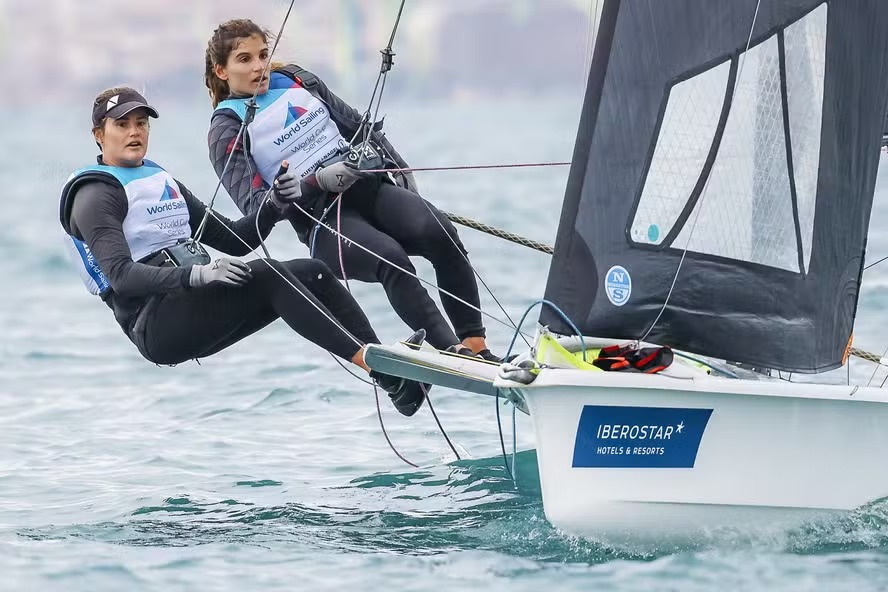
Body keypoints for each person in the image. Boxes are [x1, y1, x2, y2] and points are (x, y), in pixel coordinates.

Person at [59, 85, 428, 416]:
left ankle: (395, 382)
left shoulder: (158, 178)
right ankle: (380, 368)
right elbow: (122, 277)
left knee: (311, 272)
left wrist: (275, 203)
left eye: (141, 123)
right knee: (271, 274)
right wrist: (198, 273)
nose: (134, 132)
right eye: (121, 125)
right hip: (155, 324)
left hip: (192, 300)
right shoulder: (94, 195)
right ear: (99, 135)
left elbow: (237, 240)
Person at [204, 18, 501, 362]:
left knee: (439, 232)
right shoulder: (226, 129)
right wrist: (315, 182)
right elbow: (256, 212)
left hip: (369, 189)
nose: (259, 67)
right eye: (245, 59)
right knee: (391, 257)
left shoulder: (297, 79)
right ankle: (454, 352)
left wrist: (399, 169)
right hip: (323, 222)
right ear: (222, 71)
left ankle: (478, 348)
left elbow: (358, 127)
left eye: (263, 55)